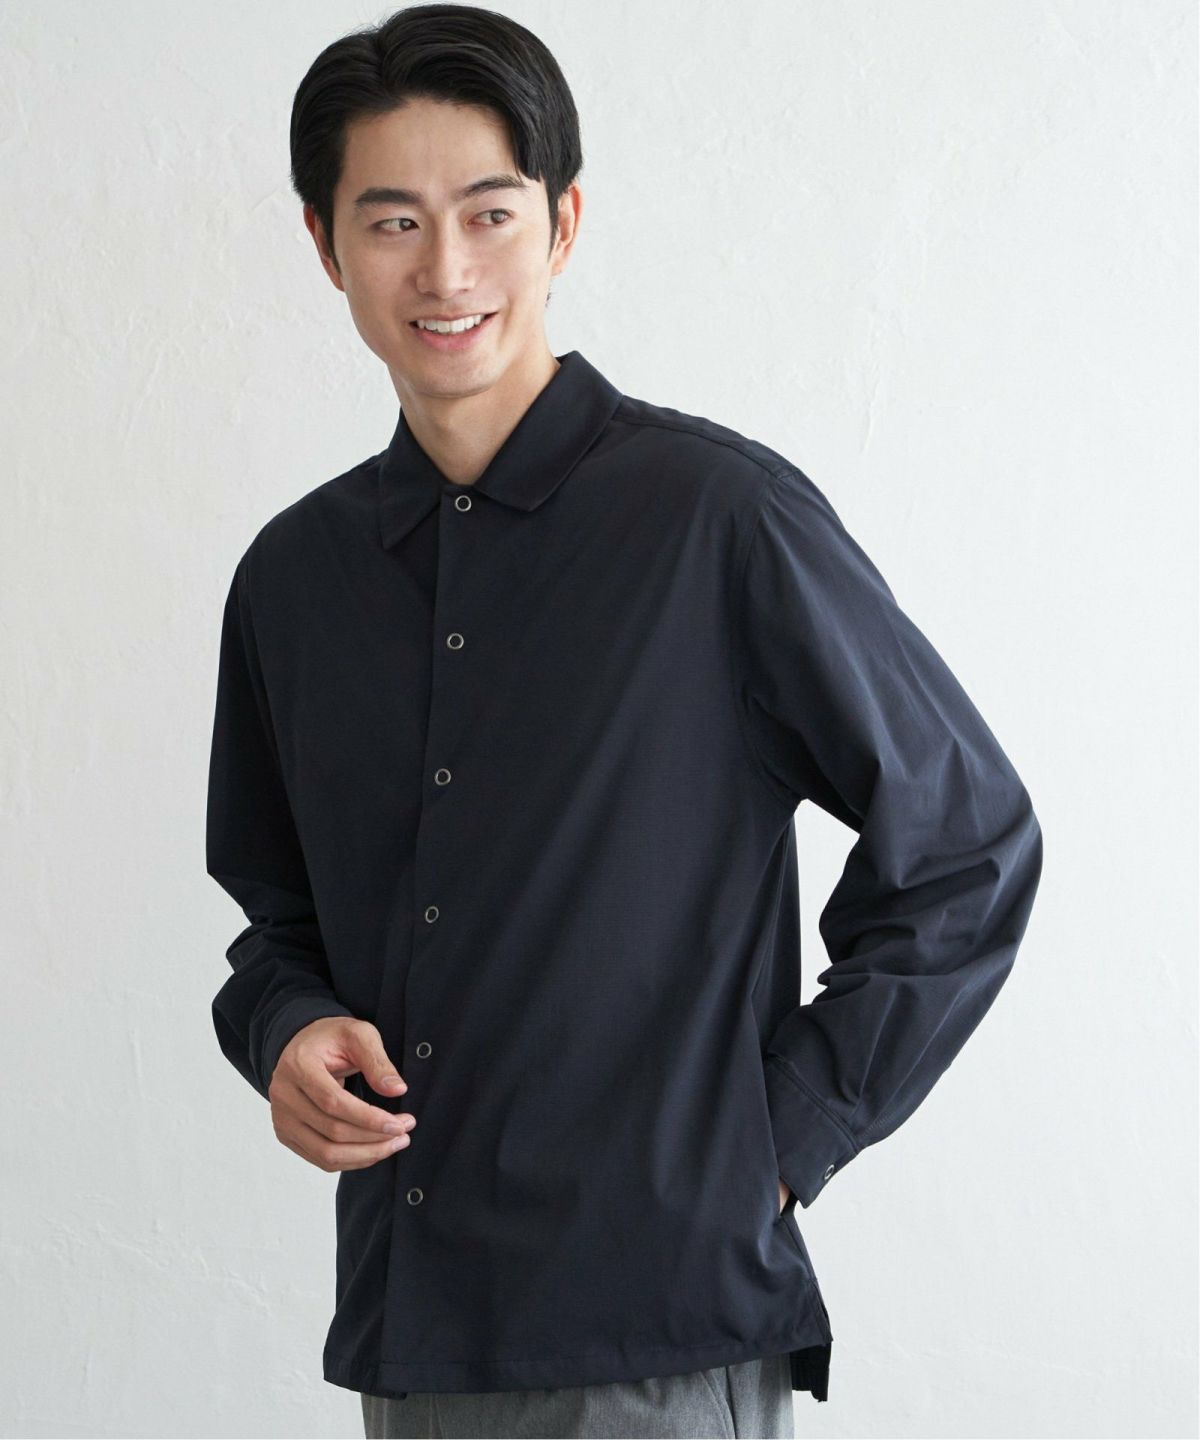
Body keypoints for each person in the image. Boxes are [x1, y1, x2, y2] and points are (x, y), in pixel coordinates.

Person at [205, 6, 1044, 1438]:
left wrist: (782, 1136)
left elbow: (967, 844)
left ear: (564, 224)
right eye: (394, 221)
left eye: (490, 213)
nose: (446, 270)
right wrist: (283, 1028)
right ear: (326, 246)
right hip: (414, 1340)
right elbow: (277, 923)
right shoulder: (295, 580)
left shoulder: (716, 521)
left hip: (657, 1341)